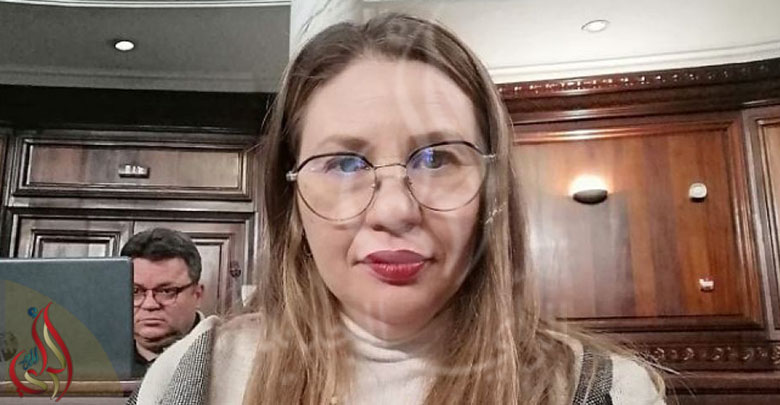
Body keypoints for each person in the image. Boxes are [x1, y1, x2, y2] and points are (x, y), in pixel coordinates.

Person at [130, 13, 666, 404]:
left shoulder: (604, 391)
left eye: (437, 158)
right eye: (344, 163)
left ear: (492, 193)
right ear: (293, 202)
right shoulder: (196, 378)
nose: (393, 210)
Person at [121, 227, 205, 377]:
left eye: (166, 291)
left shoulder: (232, 355)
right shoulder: (96, 357)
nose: (149, 305)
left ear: (197, 295)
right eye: (135, 291)